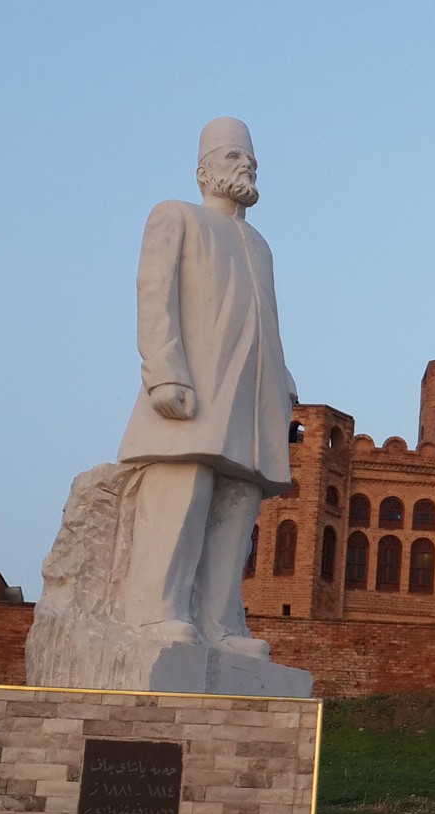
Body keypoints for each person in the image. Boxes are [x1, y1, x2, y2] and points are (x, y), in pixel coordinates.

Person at [115, 117, 295, 657]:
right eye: (233, 157)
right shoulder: (177, 216)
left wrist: (283, 378)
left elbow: (268, 316)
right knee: (185, 487)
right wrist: (164, 370)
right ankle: (155, 611)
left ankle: (220, 622)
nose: (246, 165)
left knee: (239, 502)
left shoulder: (259, 245)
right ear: (203, 169)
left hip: (253, 387)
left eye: (251, 159)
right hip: (198, 382)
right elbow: (155, 293)